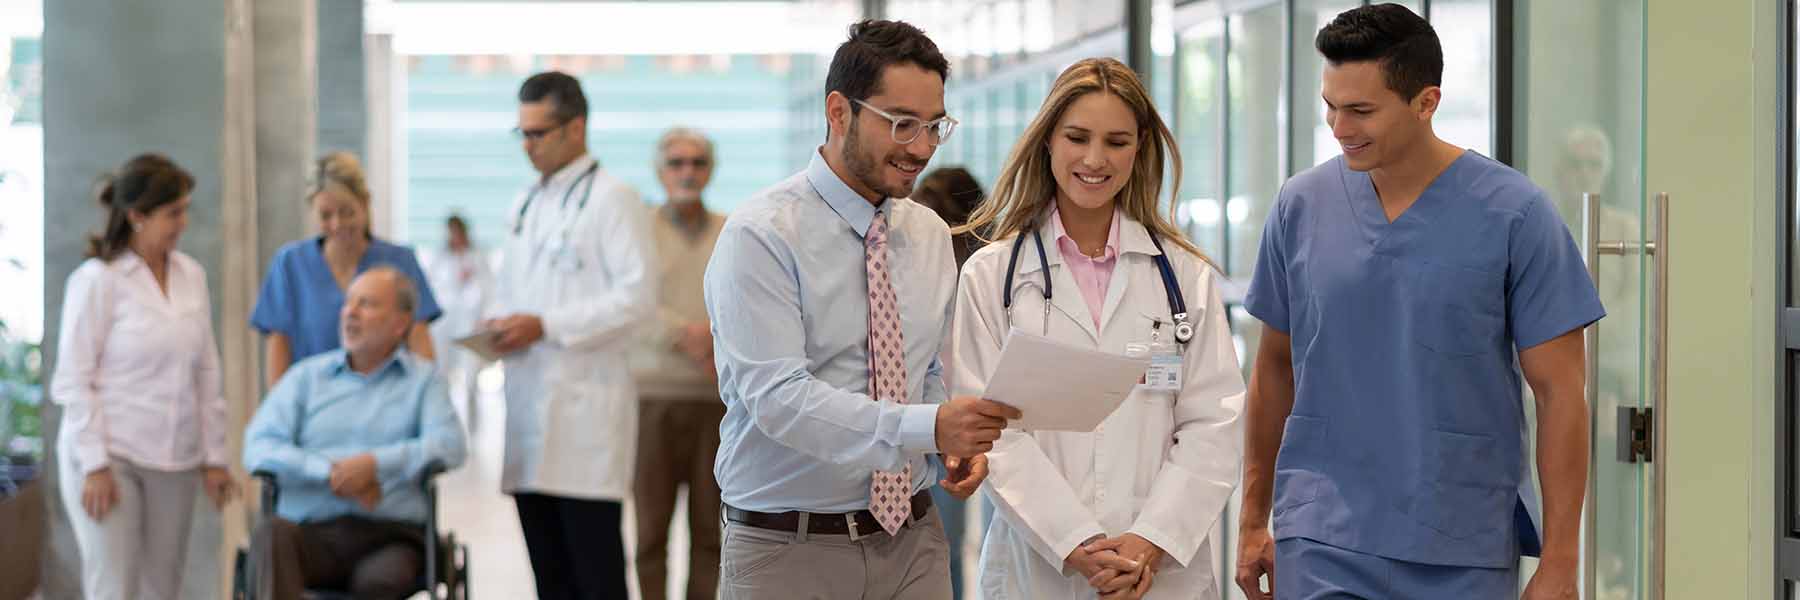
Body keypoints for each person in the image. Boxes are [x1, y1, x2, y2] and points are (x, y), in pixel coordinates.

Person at [1232, 5, 1604, 600]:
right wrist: (1252, 520)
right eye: (1330, 106)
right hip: (1323, 534)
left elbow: (1561, 393)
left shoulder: (1516, 214)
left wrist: (1562, 558)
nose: (1339, 127)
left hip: (1460, 542)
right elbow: (1273, 366)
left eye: (1360, 111)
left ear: (1426, 102)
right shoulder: (1301, 205)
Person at [704, 19, 1019, 600]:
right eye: (901, 124)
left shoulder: (928, 234)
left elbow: (921, 371)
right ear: (839, 111)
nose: (921, 147)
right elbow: (779, 400)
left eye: (933, 127)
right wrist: (928, 426)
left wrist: (947, 440)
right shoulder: (762, 235)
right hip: (788, 550)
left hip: (914, 543)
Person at [947, 58, 1246, 600]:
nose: (1094, 159)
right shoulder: (993, 276)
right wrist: (1075, 542)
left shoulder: (1183, 277)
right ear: (1047, 141)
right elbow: (993, 432)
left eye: (1116, 141)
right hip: (1038, 570)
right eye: (1077, 137)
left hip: (1158, 574)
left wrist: (1148, 541)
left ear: (1140, 148)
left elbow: (1213, 424)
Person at [486, 70, 658, 600]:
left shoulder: (613, 199)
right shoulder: (524, 201)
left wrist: (548, 325)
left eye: (539, 133)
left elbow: (638, 298)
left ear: (576, 127)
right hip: (529, 408)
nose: (528, 146)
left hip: (586, 420)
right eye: (523, 134)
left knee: (596, 577)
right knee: (550, 578)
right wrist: (500, 324)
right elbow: (512, 286)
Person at [51, 153, 237, 600]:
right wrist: (94, 463)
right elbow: (74, 380)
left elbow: (207, 370)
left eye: (186, 209)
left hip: (176, 458)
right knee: (115, 588)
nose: (184, 222)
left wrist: (215, 456)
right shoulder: (98, 280)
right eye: (173, 212)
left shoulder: (192, 275)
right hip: (112, 458)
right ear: (136, 216)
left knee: (162, 589)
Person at [244, 267, 468, 600]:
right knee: (271, 537)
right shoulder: (305, 378)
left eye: (367, 304)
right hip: (309, 533)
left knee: (379, 583)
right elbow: (257, 447)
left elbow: (450, 444)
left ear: (400, 322)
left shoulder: (423, 381)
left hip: (390, 535)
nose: (350, 312)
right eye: (349, 303)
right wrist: (330, 473)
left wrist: (374, 465)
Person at [630, 126, 728, 600]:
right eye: (676, 163)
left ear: (710, 170)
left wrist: (713, 335)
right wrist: (683, 334)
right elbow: (630, 303)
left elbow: (746, 301)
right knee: (650, 532)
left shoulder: (731, 230)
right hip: (652, 399)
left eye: (697, 162)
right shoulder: (638, 230)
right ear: (660, 171)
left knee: (710, 532)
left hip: (715, 402)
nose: (687, 172)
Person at [252, 152, 443, 388]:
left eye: (347, 212)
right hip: (314, 407)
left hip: (387, 405)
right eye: (325, 215)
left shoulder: (400, 261)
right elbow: (278, 351)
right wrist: (281, 415)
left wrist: (428, 403)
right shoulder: (291, 264)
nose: (337, 224)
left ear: (365, 204)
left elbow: (420, 346)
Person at [910, 165, 989, 599]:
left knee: (965, 543)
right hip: (937, 423)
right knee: (945, 545)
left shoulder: (989, 271)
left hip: (986, 420)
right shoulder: (919, 270)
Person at [423, 214, 493, 430]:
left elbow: (488, 289)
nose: (453, 236)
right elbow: (432, 289)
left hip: (470, 323)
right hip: (444, 325)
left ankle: (474, 427)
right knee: (442, 375)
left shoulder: (477, 256)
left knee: (471, 377)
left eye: (456, 231)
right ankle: (445, 423)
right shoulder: (439, 257)